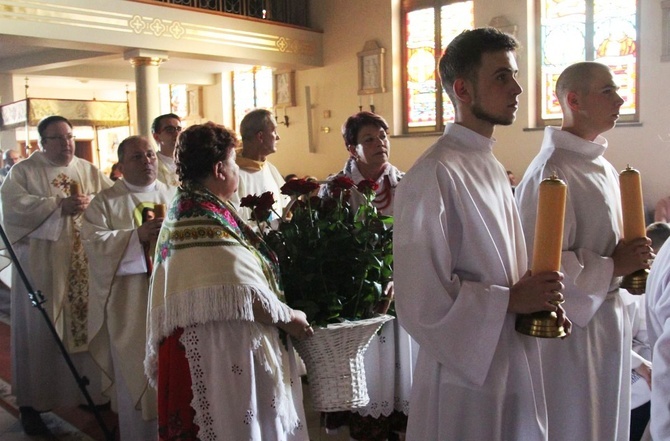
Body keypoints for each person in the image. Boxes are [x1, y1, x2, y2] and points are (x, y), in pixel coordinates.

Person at [393, 27, 570, 440]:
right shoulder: (432, 174)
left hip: (510, 353)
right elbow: (421, 302)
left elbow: (505, 268)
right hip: (465, 376)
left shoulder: (489, 165)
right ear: (463, 89)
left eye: (514, 75)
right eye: (501, 76)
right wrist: (511, 300)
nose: (518, 88)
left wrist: (533, 300)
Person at [144, 121, 312, 440]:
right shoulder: (202, 219)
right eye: (234, 163)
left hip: (204, 346)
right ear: (220, 169)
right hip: (216, 356)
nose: (235, 172)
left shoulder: (189, 207)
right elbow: (241, 292)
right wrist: (292, 319)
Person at [515, 61, 654, 441]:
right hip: (572, 336)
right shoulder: (551, 170)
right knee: (575, 427)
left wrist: (631, 258)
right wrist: (613, 266)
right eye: (607, 91)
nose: (620, 99)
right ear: (574, 100)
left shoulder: (604, 168)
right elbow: (539, 262)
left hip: (608, 325)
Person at [0, 115, 113, 435]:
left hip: (83, 267)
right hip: (42, 271)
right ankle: (32, 405)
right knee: (40, 336)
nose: (66, 143)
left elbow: (110, 201)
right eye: (58, 138)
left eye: (70, 137)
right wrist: (57, 207)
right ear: (41, 142)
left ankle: (88, 392)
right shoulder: (23, 173)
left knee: (86, 329)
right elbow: (12, 211)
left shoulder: (86, 169)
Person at [319, 111, 416, 441]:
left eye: (383, 137)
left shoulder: (406, 184)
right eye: (369, 139)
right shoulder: (335, 191)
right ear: (352, 149)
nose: (380, 144)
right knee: (367, 374)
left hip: (399, 294)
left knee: (398, 369)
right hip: (357, 299)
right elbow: (327, 245)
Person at [81, 136, 176, 440]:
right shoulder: (105, 203)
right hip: (130, 307)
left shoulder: (172, 194)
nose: (148, 161)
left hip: (171, 299)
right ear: (121, 166)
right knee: (136, 373)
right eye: (137, 157)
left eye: (150, 155)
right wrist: (136, 237)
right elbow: (94, 246)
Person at [230, 108, 289, 222]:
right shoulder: (234, 175)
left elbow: (285, 206)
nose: (278, 137)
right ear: (260, 136)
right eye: (274, 131)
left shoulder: (271, 169)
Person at [151, 113, 181, 187]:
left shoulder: (189, 162)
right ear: (156, 137)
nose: (176, 133)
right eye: (170, 130)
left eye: (179, 129)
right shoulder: (151, 165)